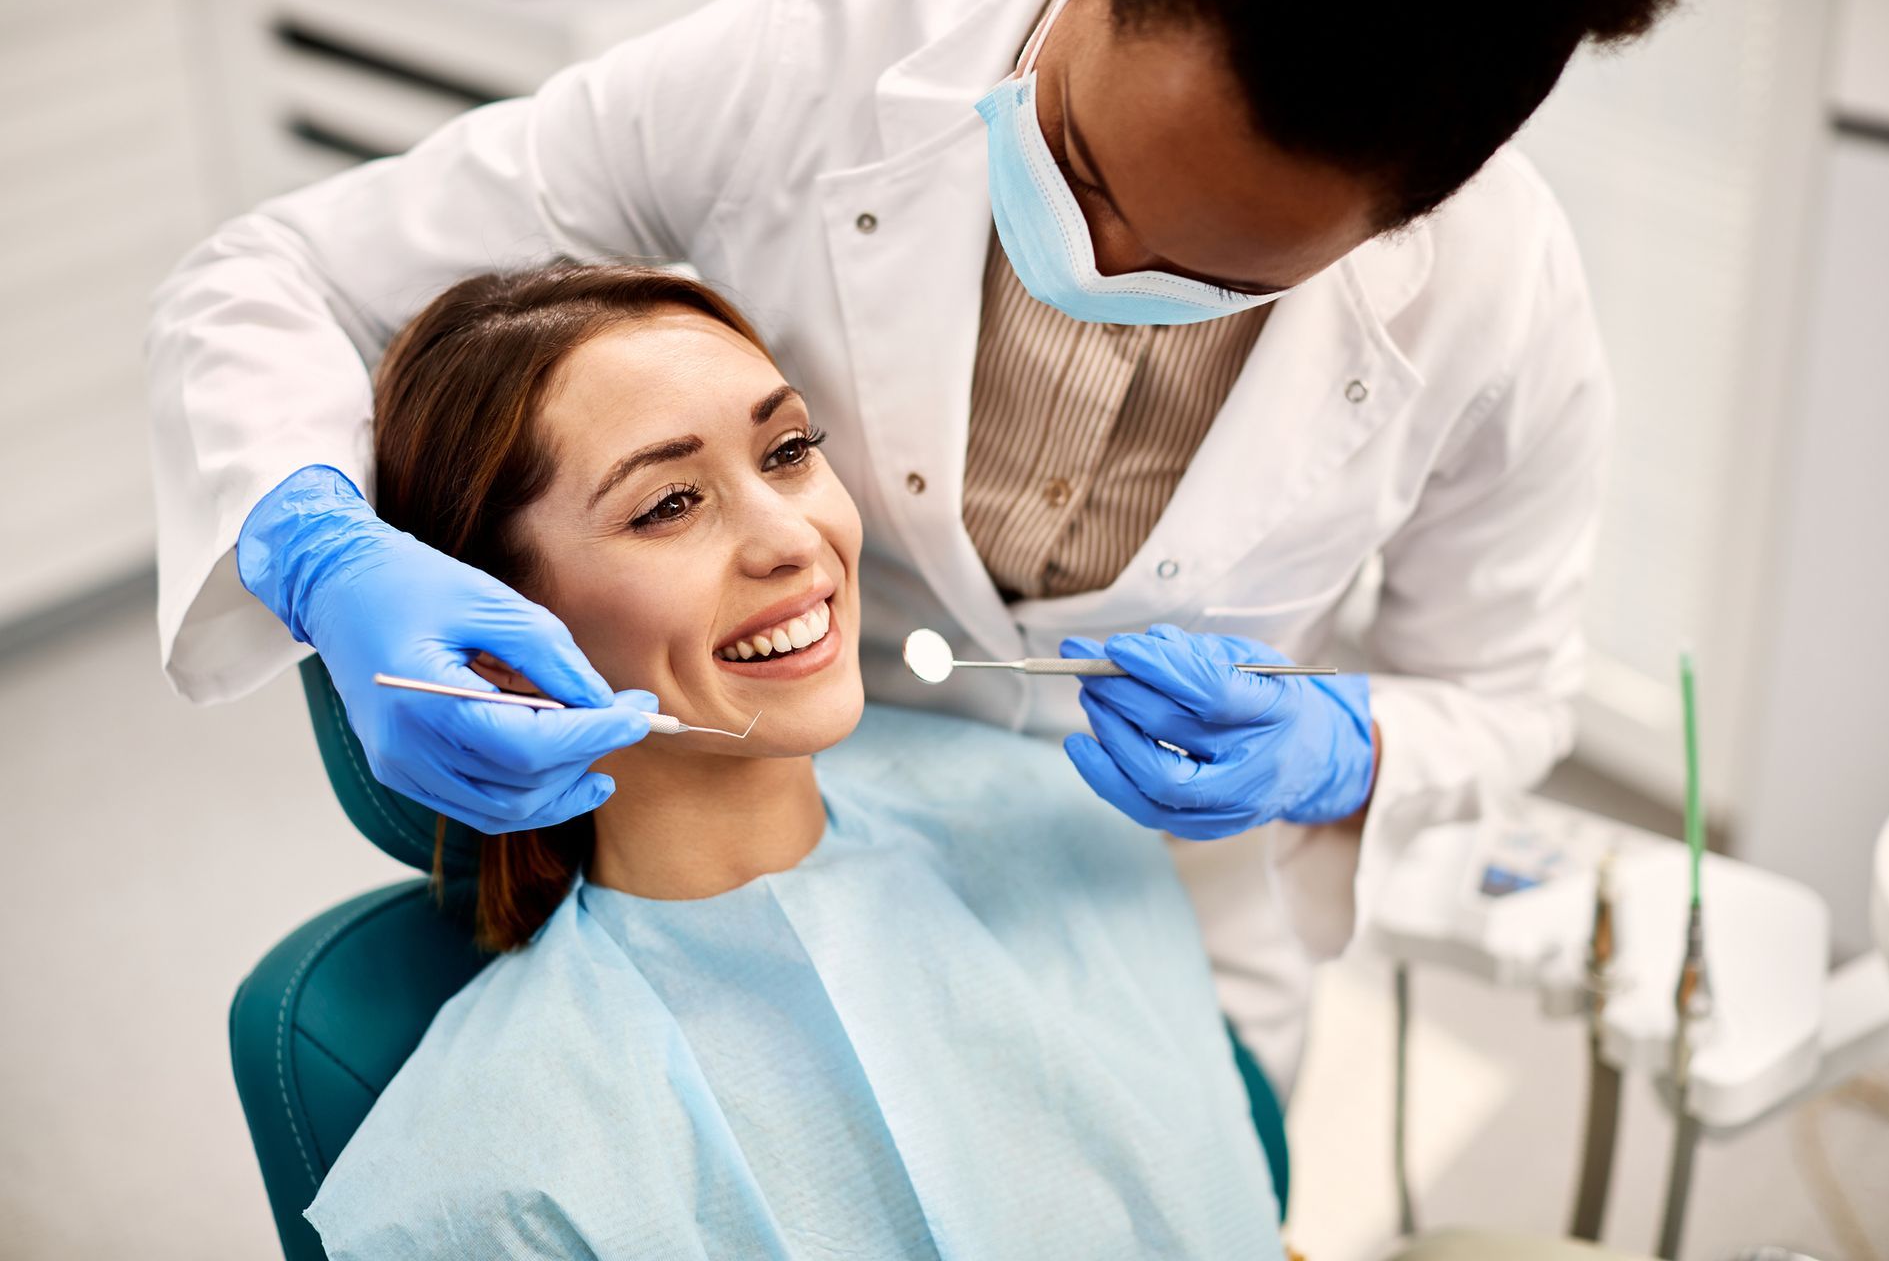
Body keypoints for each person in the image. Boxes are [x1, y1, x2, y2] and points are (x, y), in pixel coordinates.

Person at [148, 0, 1680, 1085]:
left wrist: (1346, 744)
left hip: (1150, 931)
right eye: (1080, 166)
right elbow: (270, 280)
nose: (1103, 258)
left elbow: (1505, 691)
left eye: (1209, 278)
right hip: (773, 856)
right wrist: (318, 551)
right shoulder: (815, 58)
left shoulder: (1498, 299)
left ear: (1401, 227)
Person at [301, 262, 1283, 1258]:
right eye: (670, 501)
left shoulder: (1055, 821)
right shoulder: (492, 1183)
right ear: (496, 633)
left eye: (788, 449)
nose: (791, 537)